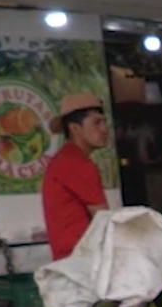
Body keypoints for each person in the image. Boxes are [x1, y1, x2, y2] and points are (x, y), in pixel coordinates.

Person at [41, 93, 111, 260]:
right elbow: (104, 220)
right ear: (75, 129)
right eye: (96, 123)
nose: (104, 128)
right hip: (82, 259)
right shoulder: (77, 164)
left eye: (104, 121)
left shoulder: (64, 159)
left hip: (71, 258)